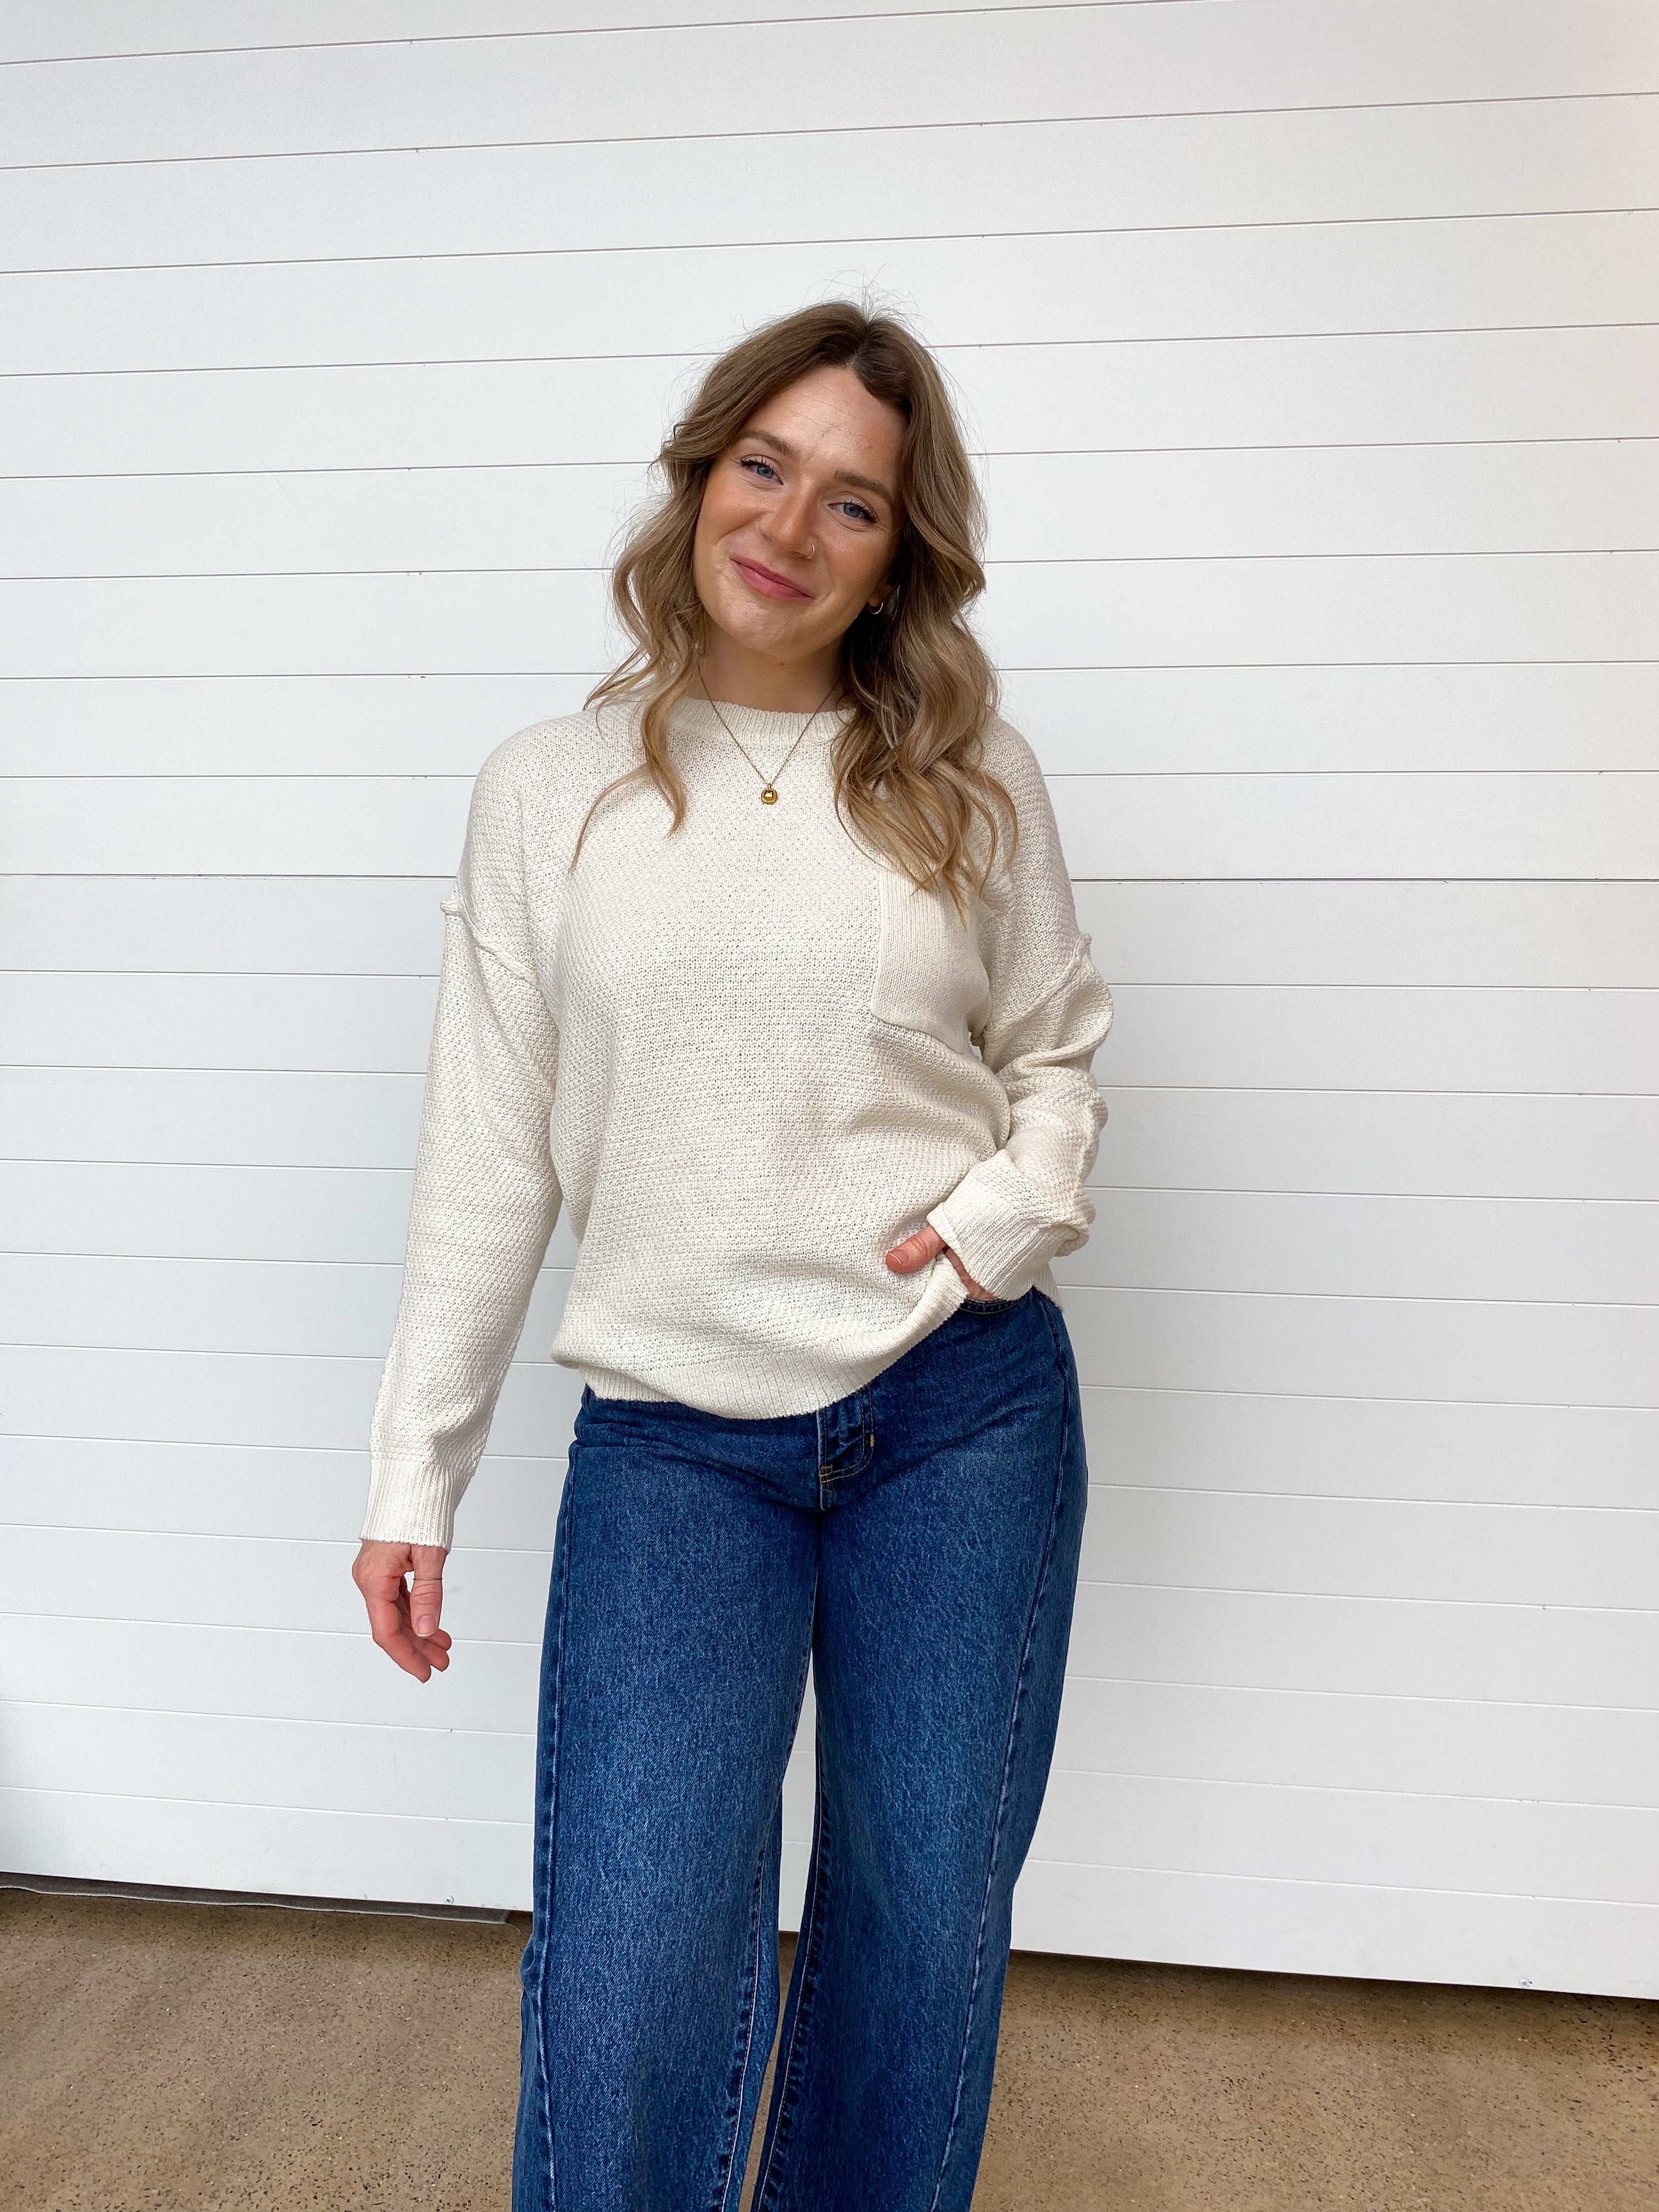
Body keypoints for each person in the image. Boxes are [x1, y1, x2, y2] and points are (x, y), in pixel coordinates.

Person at [351, 298, 1115, 2212]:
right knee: (630, 1962)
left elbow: (1056, 1059)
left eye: (852, 500)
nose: (787, 524)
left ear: (898, 556)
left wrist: (997, 1223)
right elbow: (485, 1154)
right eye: (761, 467)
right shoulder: (553, 789)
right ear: (699, 478)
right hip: (677, 1439)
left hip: (962, 1418)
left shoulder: (971, 772)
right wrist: (413, 1475)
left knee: (918, 1937)